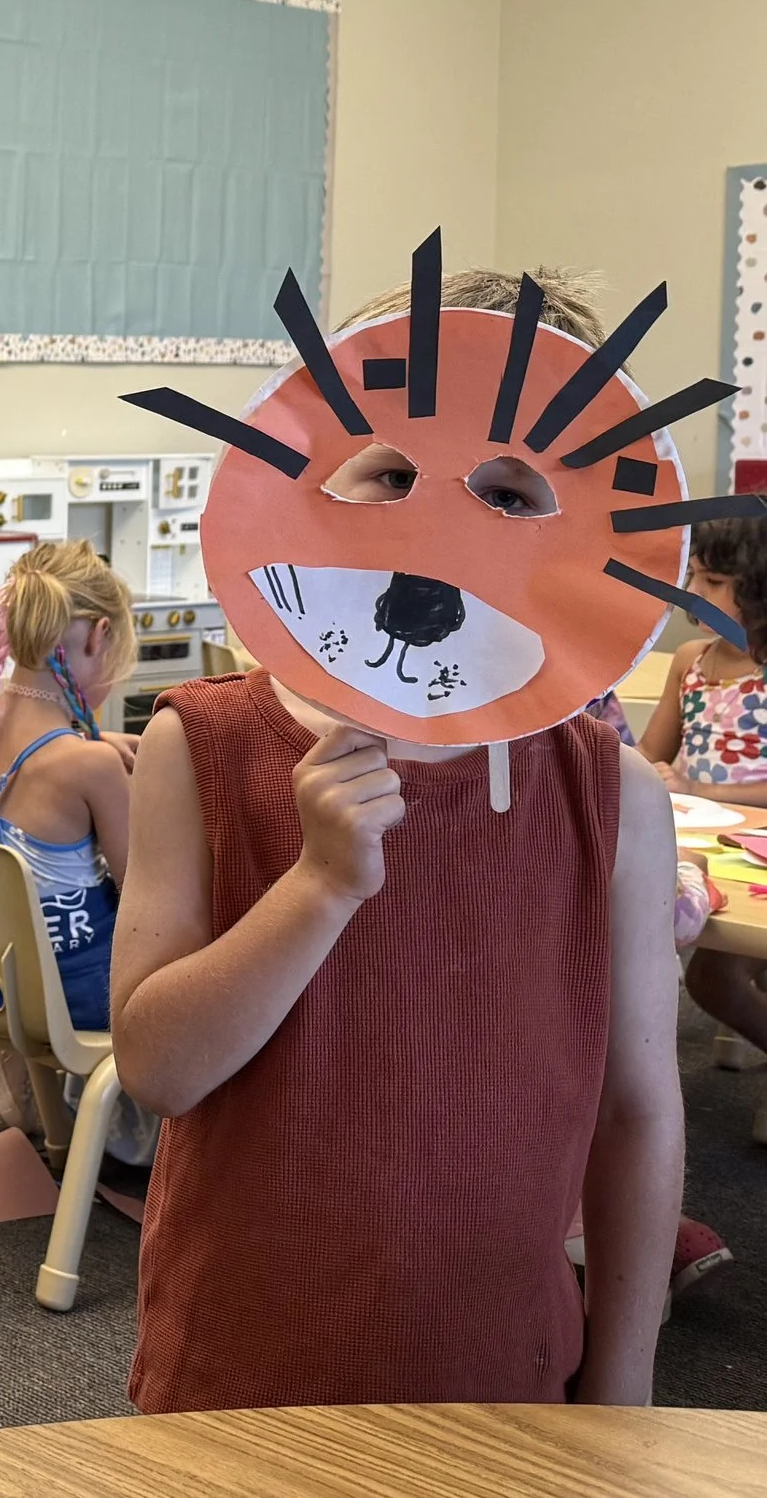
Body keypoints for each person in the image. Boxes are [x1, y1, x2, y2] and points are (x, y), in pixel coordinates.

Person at [112, 265, 682, 1412]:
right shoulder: (199, 745)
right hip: (238, 1366)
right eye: (394, 473)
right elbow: (158, 1070)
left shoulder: (612, 801)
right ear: (316, 478)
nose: (446, 525)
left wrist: (623, 1386)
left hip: (505, 1378)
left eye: (512, 494)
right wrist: (317, 886)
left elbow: (637, 1113)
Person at [0, 540, 138, 1033]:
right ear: (99, 636)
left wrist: (84, 741)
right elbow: (144, 895)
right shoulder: (91, 767)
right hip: (67, 991)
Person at [641, 516, 767, 1146]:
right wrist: (653, 776)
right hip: (697, 843)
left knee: (716, 976)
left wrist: (700, 788)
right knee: (708, 969)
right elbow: (649, 755)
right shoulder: (689, 661)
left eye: (712, 581)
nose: (692, 592)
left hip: (756, 856)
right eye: (693, 576)